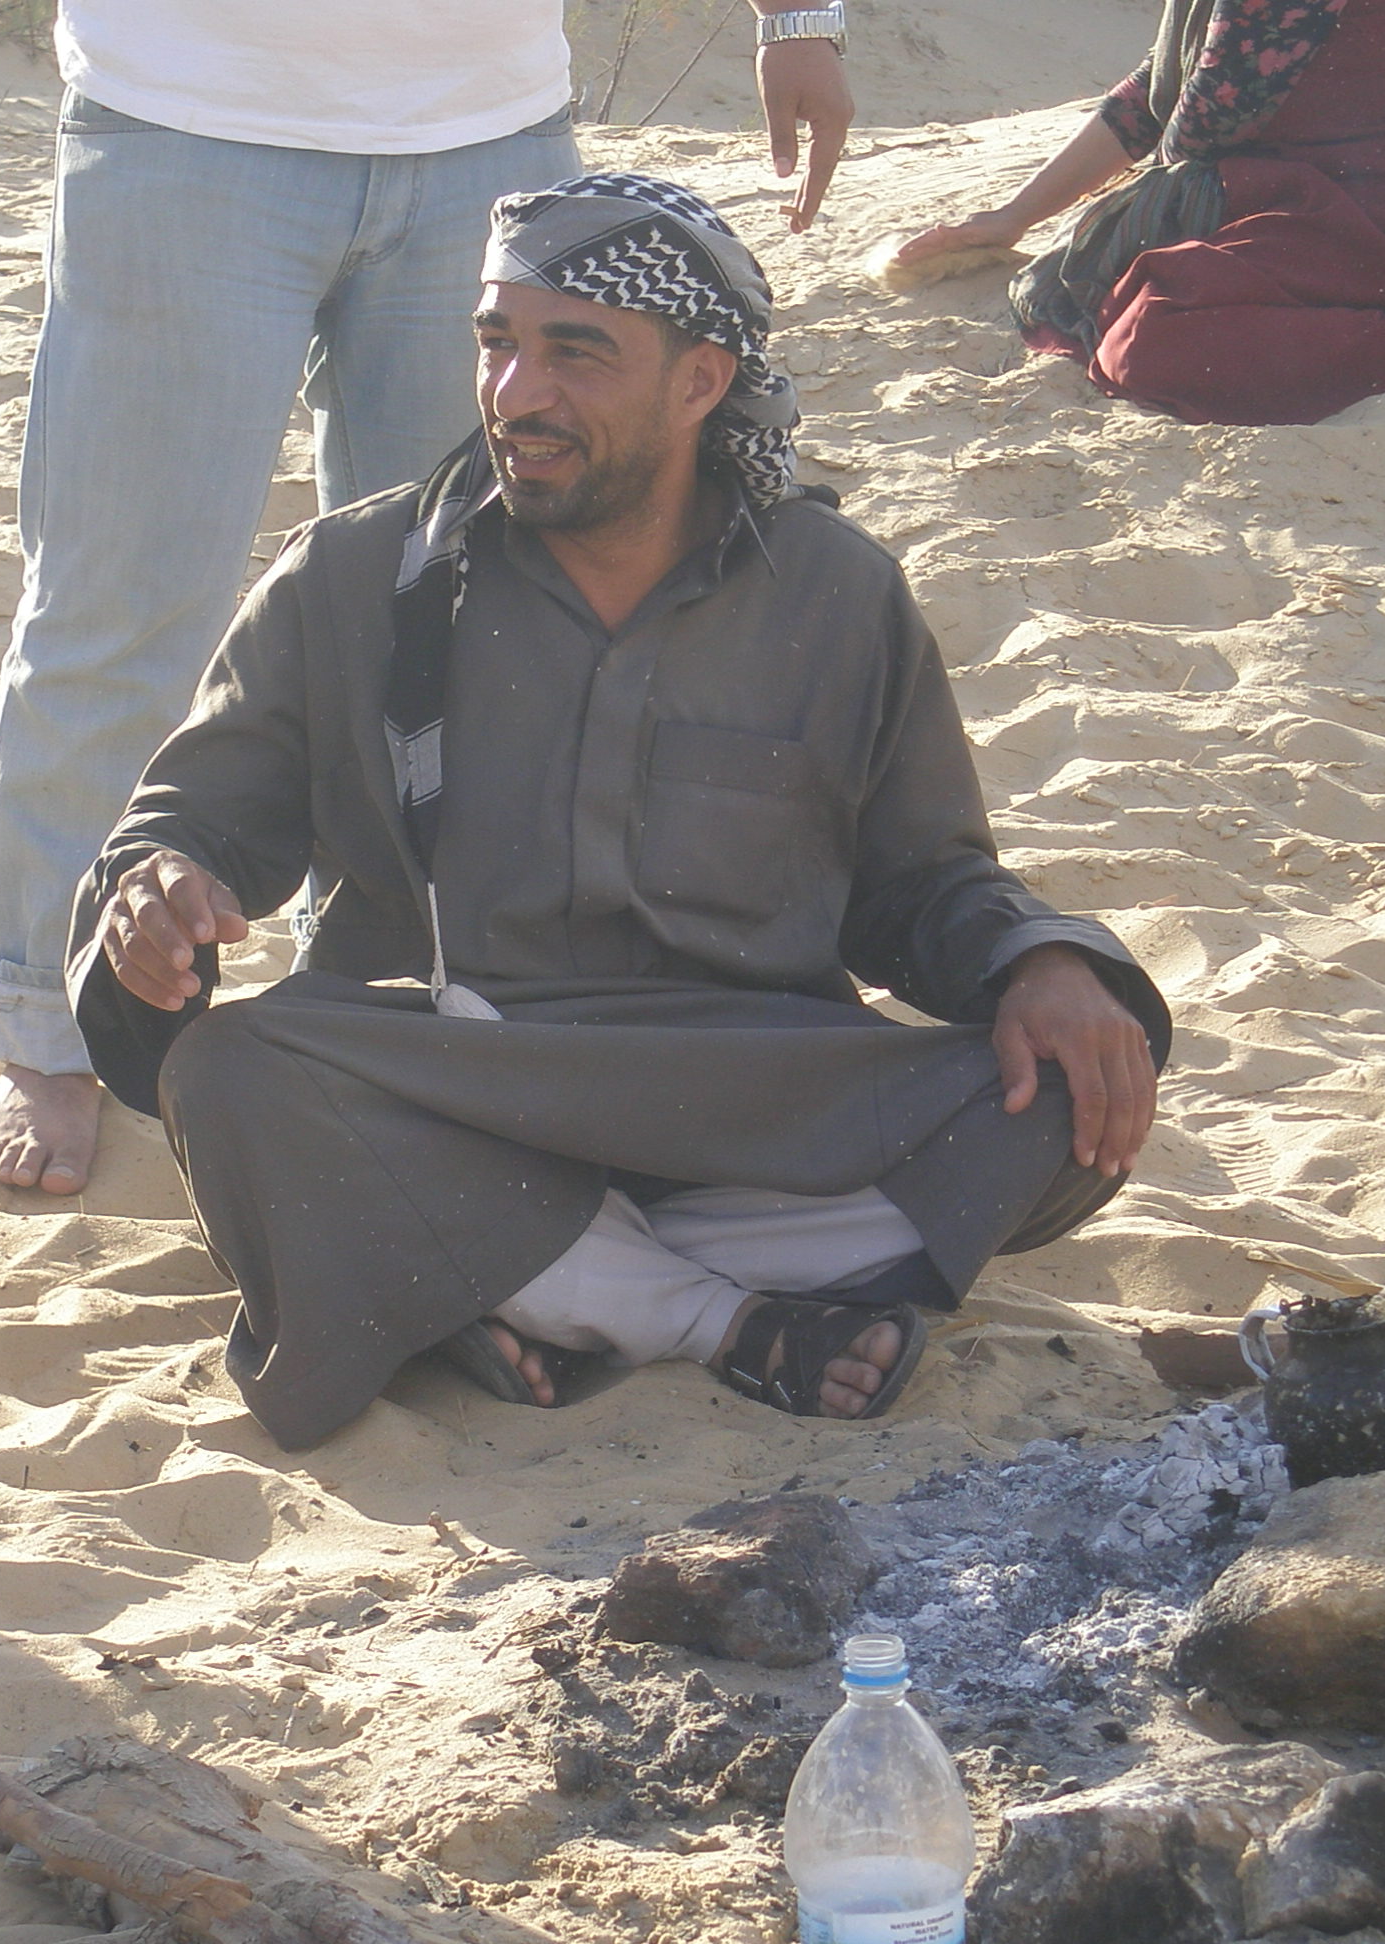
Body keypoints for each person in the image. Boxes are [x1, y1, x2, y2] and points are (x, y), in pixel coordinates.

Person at [69, 173, 1173, 1452]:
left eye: (574, 355)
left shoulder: (836, 594)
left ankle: (505, 1276)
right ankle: (712, 1319)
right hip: (446, 1080)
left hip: (746, 1101)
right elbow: (188, 823)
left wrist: (1039, 963)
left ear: (701, 382)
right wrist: (155, 897)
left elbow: (922, 884)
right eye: (496, 344)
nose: (514, 394)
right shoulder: (357, 578)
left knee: (1068, 1093)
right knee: (235, 1073)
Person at [0, 0, 861, 1200]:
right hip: (185, 108)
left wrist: (796, 15)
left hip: (488, 126)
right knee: (119, 609)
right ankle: (46, 1027)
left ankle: (370, 986)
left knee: (461, 607)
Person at [892, 0, 1385, 432]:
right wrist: (1014, 217)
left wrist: (1111, 228)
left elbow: (1199, 128)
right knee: (1108, 266)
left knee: (1146, 336)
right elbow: (1166, 84)